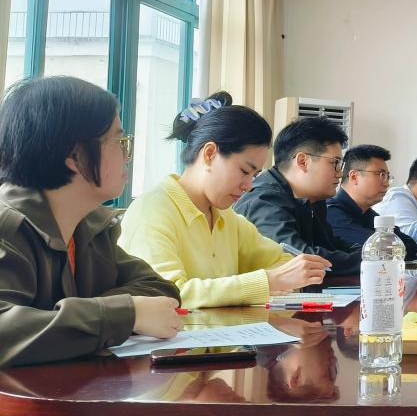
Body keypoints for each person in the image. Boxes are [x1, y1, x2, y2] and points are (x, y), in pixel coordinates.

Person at [0, 76, 182, 367]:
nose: (127, 156)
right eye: (119, 142)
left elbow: (159, 289)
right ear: (75, 155)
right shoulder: (7, 226)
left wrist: (108, 312)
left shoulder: (90, 226)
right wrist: (125, 314)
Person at [120, 93, 329, 309]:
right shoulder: (151, 212)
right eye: (244, 171)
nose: (248, 185)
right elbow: (165, 294)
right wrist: (266, 282)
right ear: (210, 154)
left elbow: (282, 262)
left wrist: (284, 276)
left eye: (255, 175)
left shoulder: (226, 218)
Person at [234, 116, 361, 275]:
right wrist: (367, 261)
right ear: (302, 161)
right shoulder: (265, 200)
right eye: (335, 163)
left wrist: (370, 253)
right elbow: (298, 259)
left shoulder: (312, 201)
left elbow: (331, 245)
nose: (340, 173)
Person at [326, 144, 417, 259]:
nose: (386, 183)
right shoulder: (331, 213)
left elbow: (410, 244)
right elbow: (378, 247)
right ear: (354, 177)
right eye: (381, 175)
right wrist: (392, 247)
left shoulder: (368, 214)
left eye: (387, 176)